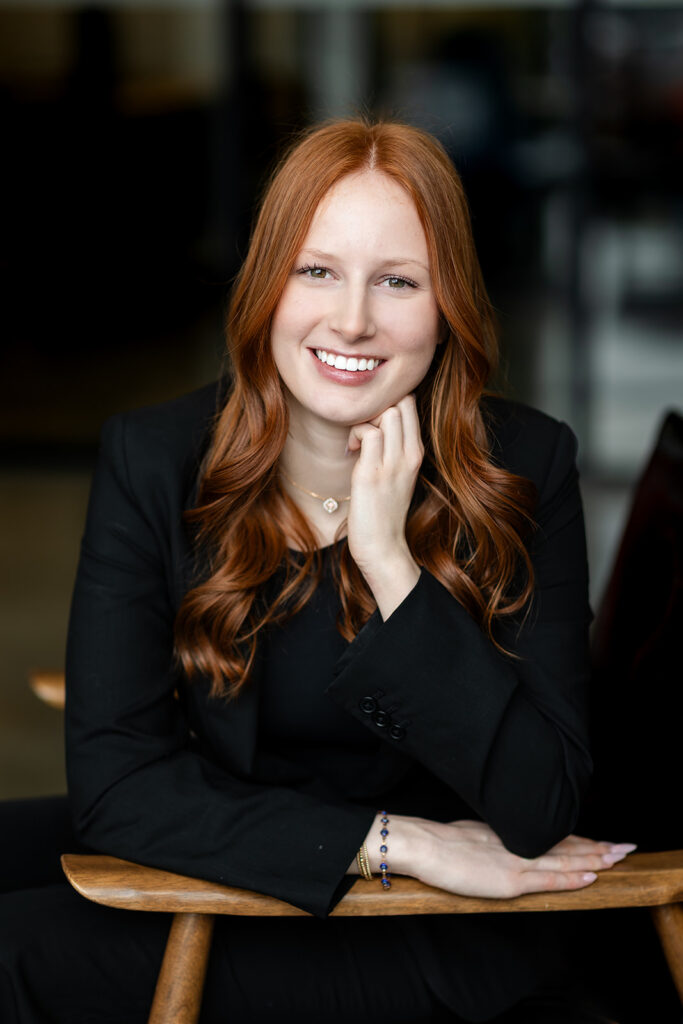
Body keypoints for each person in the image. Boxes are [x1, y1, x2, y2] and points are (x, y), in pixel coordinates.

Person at [0, 118, 634, 1023]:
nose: (351, 320)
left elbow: (540, 804)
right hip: (283, 849)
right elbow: (116, 785)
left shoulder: (525, 466)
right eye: (317, 271)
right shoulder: (156, 457)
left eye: (398, 282)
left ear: (447, 301)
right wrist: (392, 841)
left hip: (432, 927)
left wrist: (388, 563)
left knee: (10, 957)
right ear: (268, 285)